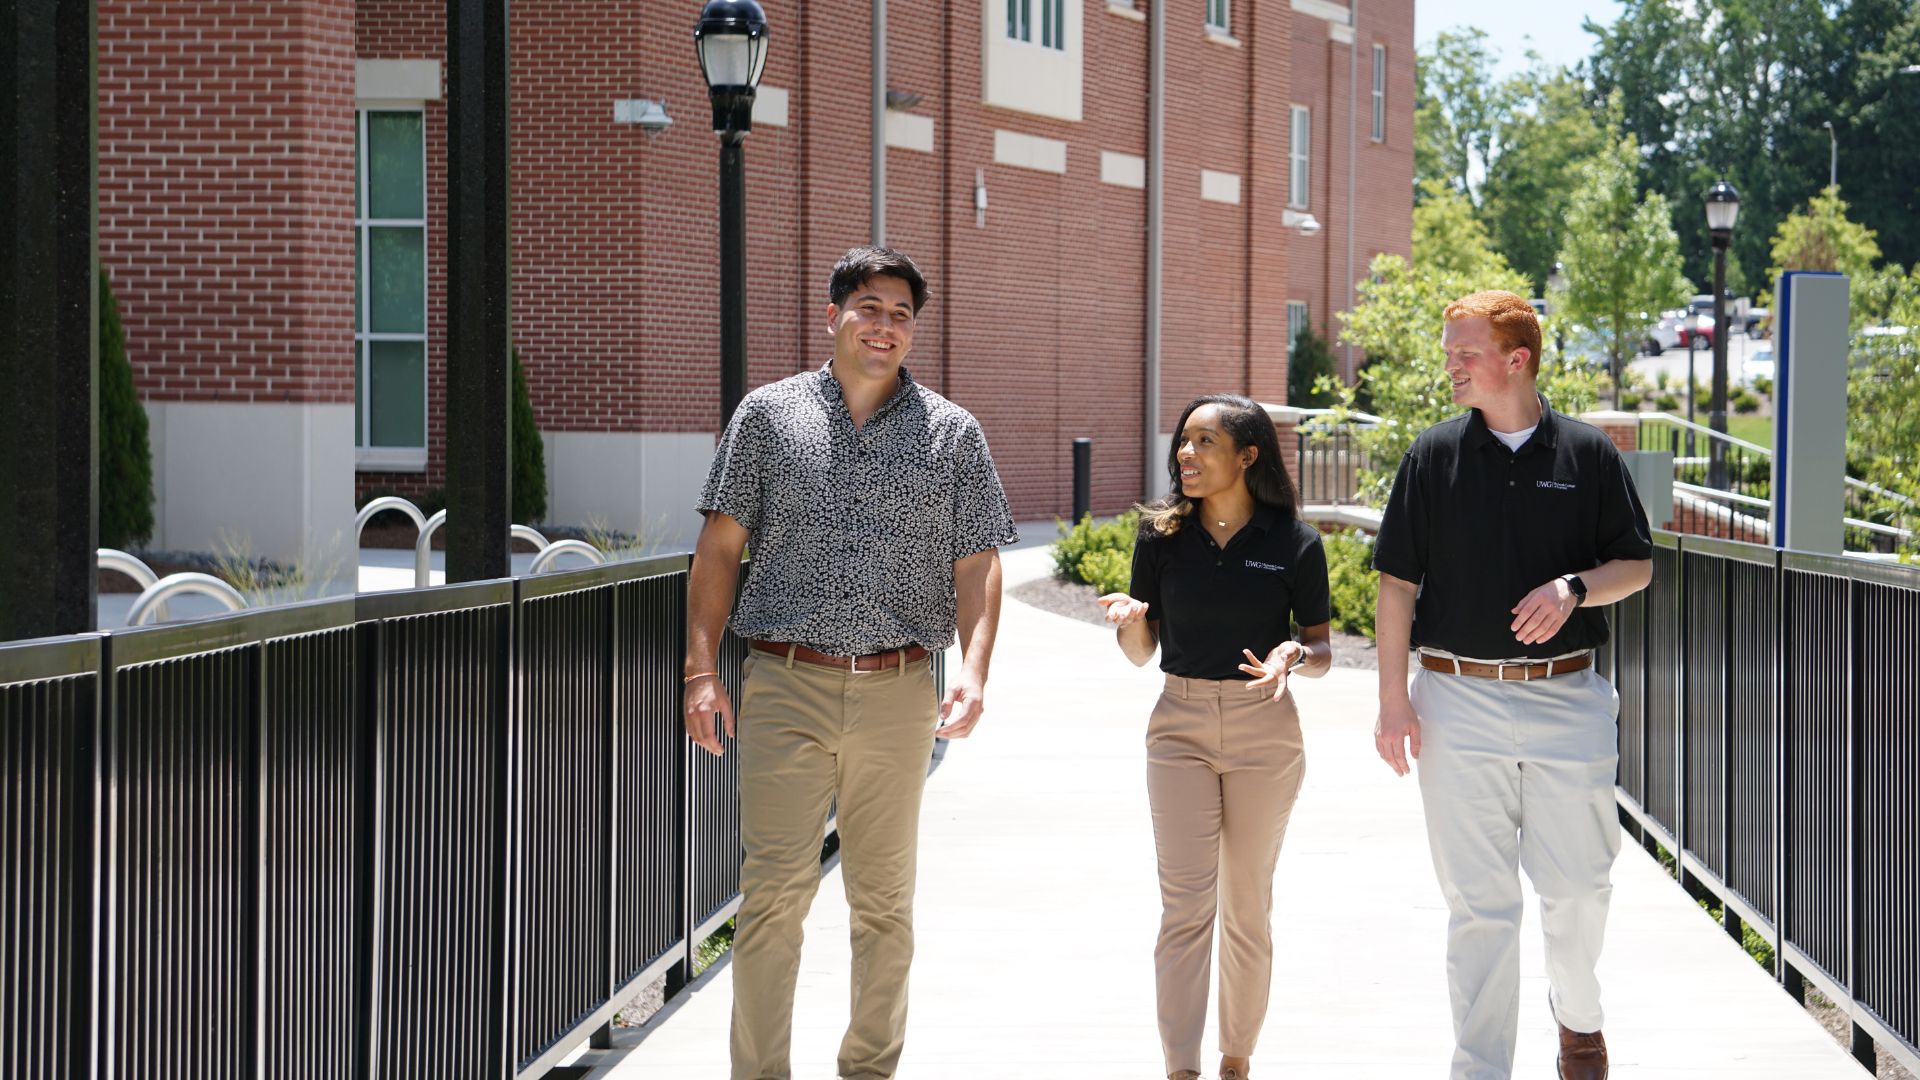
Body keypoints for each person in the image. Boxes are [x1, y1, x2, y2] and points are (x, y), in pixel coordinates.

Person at [682, 245, 1018, 1080]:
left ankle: (868, 1070)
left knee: (883, 906)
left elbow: (977, 563)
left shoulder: (952, 433)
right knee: (773, 901)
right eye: (869, 308)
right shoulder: (768, 416)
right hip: (785, 681)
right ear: (832, 316)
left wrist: (974, 671)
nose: (885, 327)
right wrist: (700, 670)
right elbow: (720, 548)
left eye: (902, 315)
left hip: (899, 689)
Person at [1371, 290, 1653, 1080]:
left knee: (1579, 888)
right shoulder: (1432, 457)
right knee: (1480, 906)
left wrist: (1572, 589)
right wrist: (1394, 700)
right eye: (1450, 351)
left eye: (1465, 353)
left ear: (1516, 359)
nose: (1451, 365)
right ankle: (1481, 1069)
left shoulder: (1588, 455)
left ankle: (1580, 1020)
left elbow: (1636, 565)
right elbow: (1396, 583)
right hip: (1456, 700)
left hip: (1569, 698)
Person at [1097, 393, 1332, 1080]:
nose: (1185, 454)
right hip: (1181, 727)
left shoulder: (1295, 542)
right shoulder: (1160, 537)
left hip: (1267, 732)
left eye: (1204, 442)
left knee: (1247, 907)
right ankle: (1181, 1069)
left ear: (1247, 455)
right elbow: (1143, 652)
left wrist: (1293, 654)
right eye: (1184, 442)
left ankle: (1236, 1060)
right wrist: (1128, 620)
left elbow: (1321, 650)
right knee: (1185, 907)